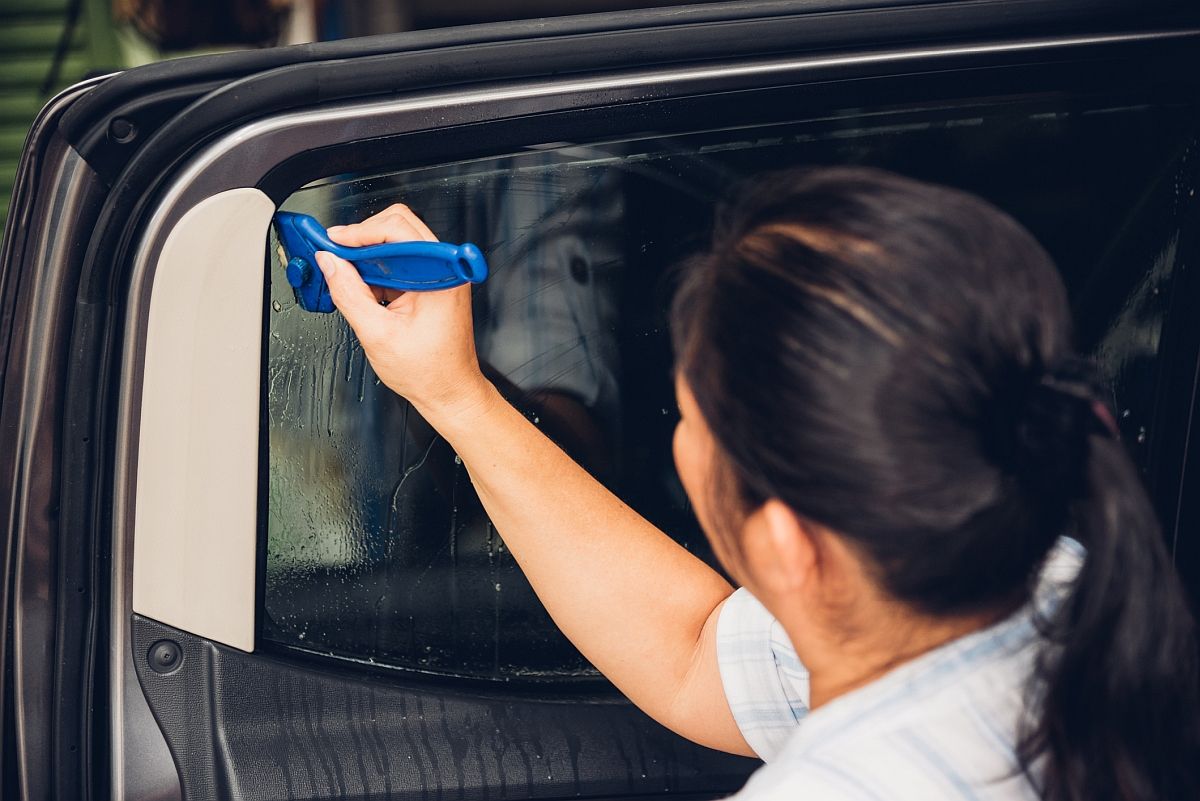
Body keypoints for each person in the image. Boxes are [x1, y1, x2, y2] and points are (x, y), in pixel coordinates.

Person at [312, 166, 1200, 801]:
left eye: (689, 421)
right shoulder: (1069, 594)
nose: (684, 440)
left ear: (785, 543)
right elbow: (691, 647)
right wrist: (454, 393)